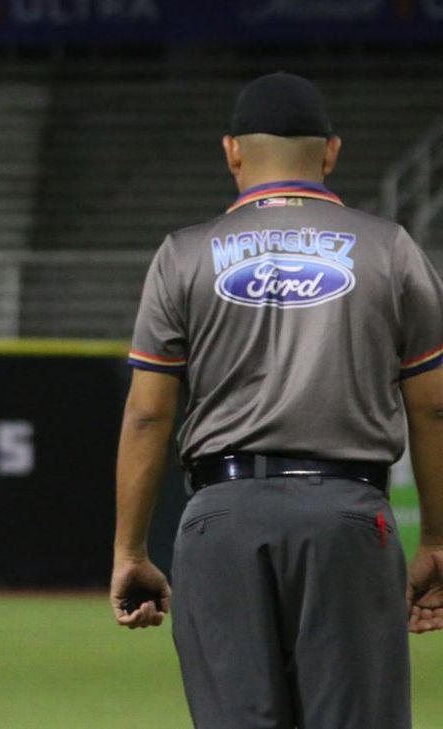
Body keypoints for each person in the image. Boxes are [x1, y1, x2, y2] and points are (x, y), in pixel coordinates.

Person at [110, 71, 443, 728]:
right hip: (349, 519)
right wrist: (435, 537)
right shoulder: (390, 249)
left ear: (232, 150)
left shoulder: (183, 255)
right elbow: (433, 406)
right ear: (332, 152)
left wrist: (131, 551)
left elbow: (149, 412)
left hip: (220, 522)